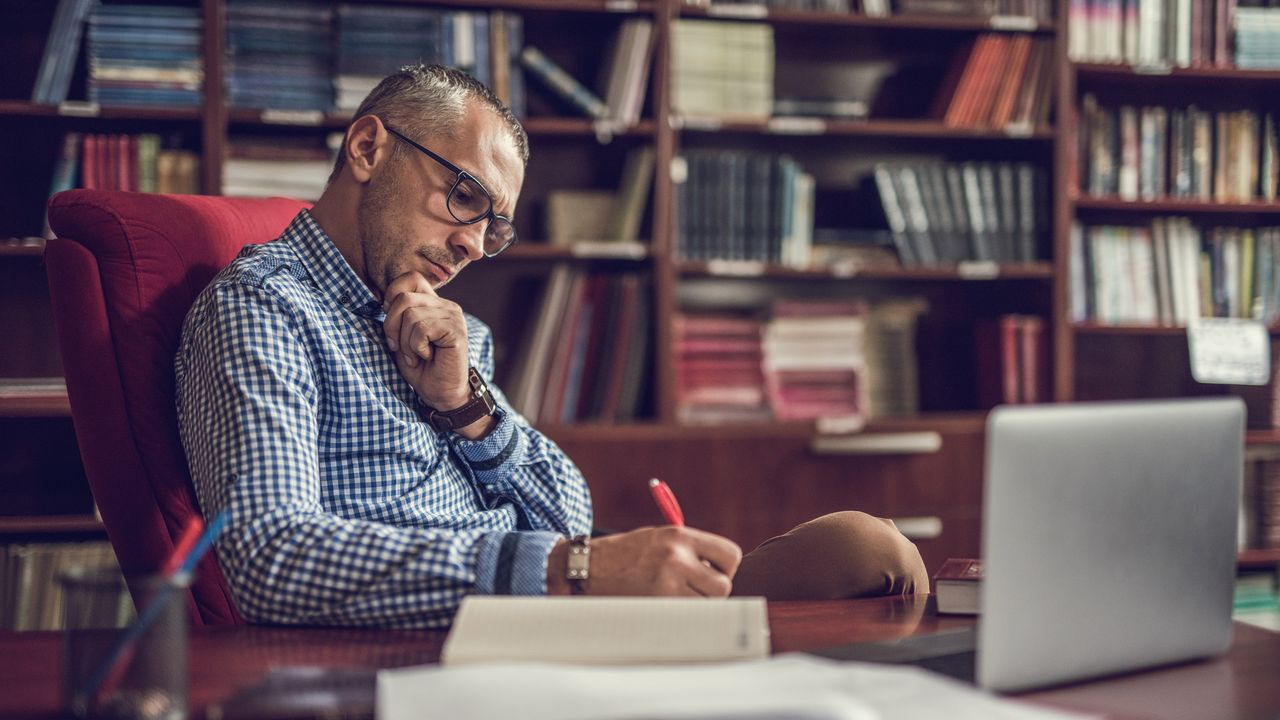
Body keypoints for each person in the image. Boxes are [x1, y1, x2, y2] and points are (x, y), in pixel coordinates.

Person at [176, 64, 927, 628]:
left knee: (869, 552)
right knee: (865, 566)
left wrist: (465, 409)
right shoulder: (266, 307)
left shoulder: (439, 327)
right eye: (463, 196)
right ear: (370, 147)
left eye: (493, 227)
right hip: (472, 638)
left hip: (558, 606)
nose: (472, 244)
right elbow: (271, 560)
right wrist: (570, 571)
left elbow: (568, 505)